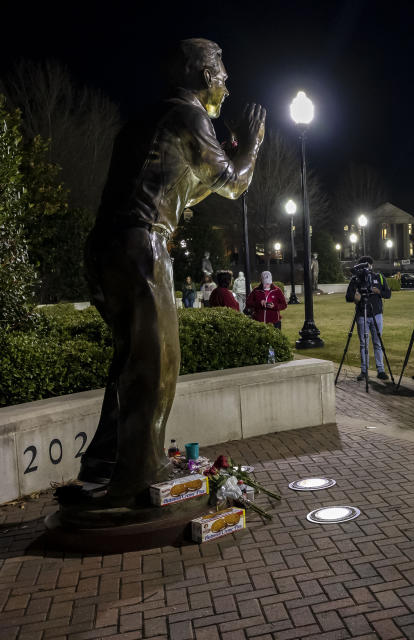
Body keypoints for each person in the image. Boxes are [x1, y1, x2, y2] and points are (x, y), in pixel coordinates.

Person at [79, 37, 266, 494]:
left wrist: (229, 149)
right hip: (140, 245)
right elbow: (234, 184)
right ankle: (141, 472)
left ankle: (105, 460)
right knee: (159, 362)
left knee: (132, 358)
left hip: (106, 248)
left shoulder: (151, 118)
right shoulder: (189, 115)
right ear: (205, 77)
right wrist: (254, 143)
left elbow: (191, 185)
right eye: (222, 74)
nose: (228, 82)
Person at [345, 256, 392, 381]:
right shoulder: (356, 279)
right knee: (363, 344)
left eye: (368, 265)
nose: (367, 268)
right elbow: (348, 296)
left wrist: (378, 292)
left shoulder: (379, 277)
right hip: (362, 314)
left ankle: (380, 370)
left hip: (376, 314)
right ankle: (364, 370)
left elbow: (388, 294)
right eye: (364, 266)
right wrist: (356, 297)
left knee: (377, 343)